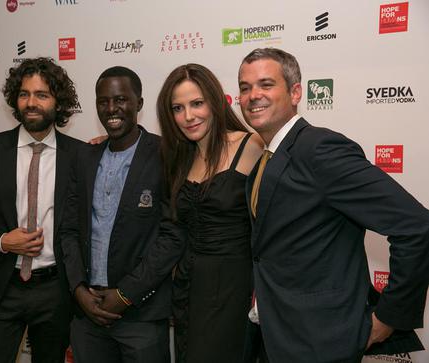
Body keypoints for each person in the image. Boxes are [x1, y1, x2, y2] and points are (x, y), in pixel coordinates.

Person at [238, 47, 429, 362]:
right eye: (245, 88)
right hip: (277, 333)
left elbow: (417, 226)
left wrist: (388, 318)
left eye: (266, 84)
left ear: (296, 91)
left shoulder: (320, 149)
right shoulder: (268, 156)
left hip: (322, 341)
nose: (253, 95)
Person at [95, 63, 264, 363]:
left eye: (197, 103)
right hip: (186, 286)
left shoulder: (250, 145)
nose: (188, 116)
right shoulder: (179, 155)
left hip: (232, 287)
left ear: (215, 101)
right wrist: (103, 146)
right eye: (178, 108)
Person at [0, 57, 81, 363]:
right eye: (24, 94)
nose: (31, 103)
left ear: (58, 102)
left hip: (56, 291)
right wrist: (1, 240)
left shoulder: (80, 155)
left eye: (42, 95)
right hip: (2, 287)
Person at [60, 66, 171, 363]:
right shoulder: (84, 157)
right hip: (88, 316)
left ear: (139, 104)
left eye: (121, 100)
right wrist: (78, 290)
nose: (111, 109)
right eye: (103, 101)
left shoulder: (165, 154)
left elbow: (172, 238)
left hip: (141, 316)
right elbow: (68, 230)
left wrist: (125, 294)